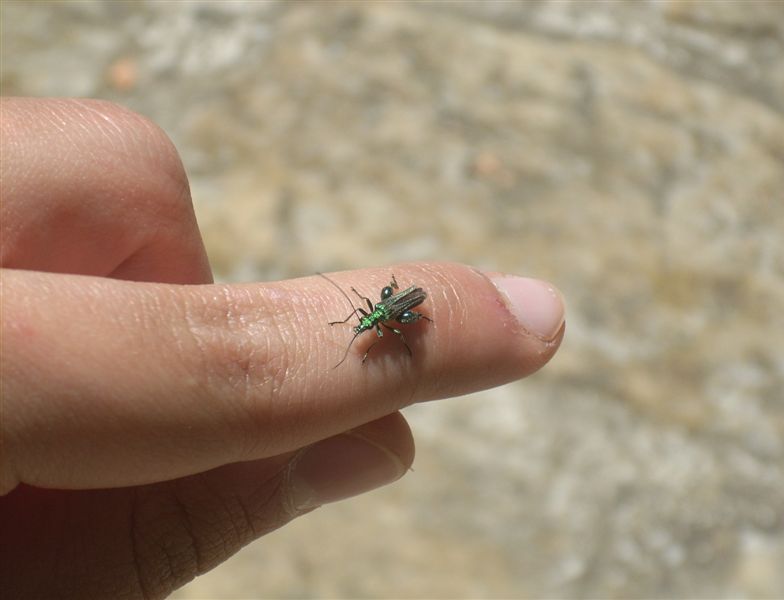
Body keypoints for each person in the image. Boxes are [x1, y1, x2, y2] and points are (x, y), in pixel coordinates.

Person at [0, 97, 565, 598]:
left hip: (408, 308)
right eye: (366, 319)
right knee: (379, 333)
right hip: (396, 312)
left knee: (397, 330)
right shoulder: (368, 321)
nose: (365, 323)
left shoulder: (390, 318)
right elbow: (367, 321)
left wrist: (404, 328)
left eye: (368, 319)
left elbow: (394, 317)